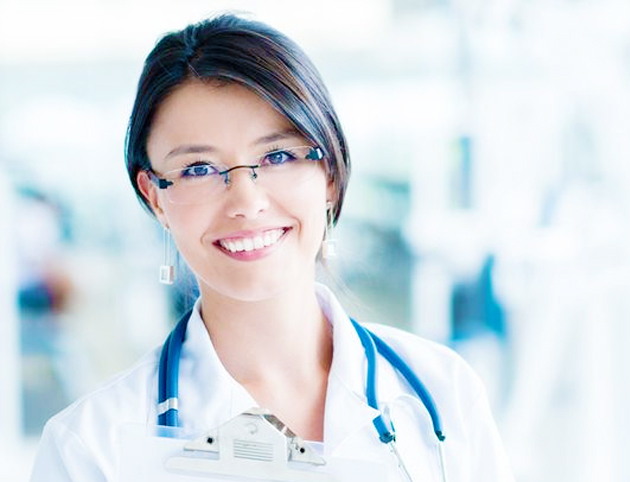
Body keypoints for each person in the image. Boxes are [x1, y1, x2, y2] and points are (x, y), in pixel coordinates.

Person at [31, 14, 513, 481]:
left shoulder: (440, 394)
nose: (246, 201)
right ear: (155, 196)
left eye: (278, 156)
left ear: (330, 174)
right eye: (199, 168)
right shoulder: (90, 449)